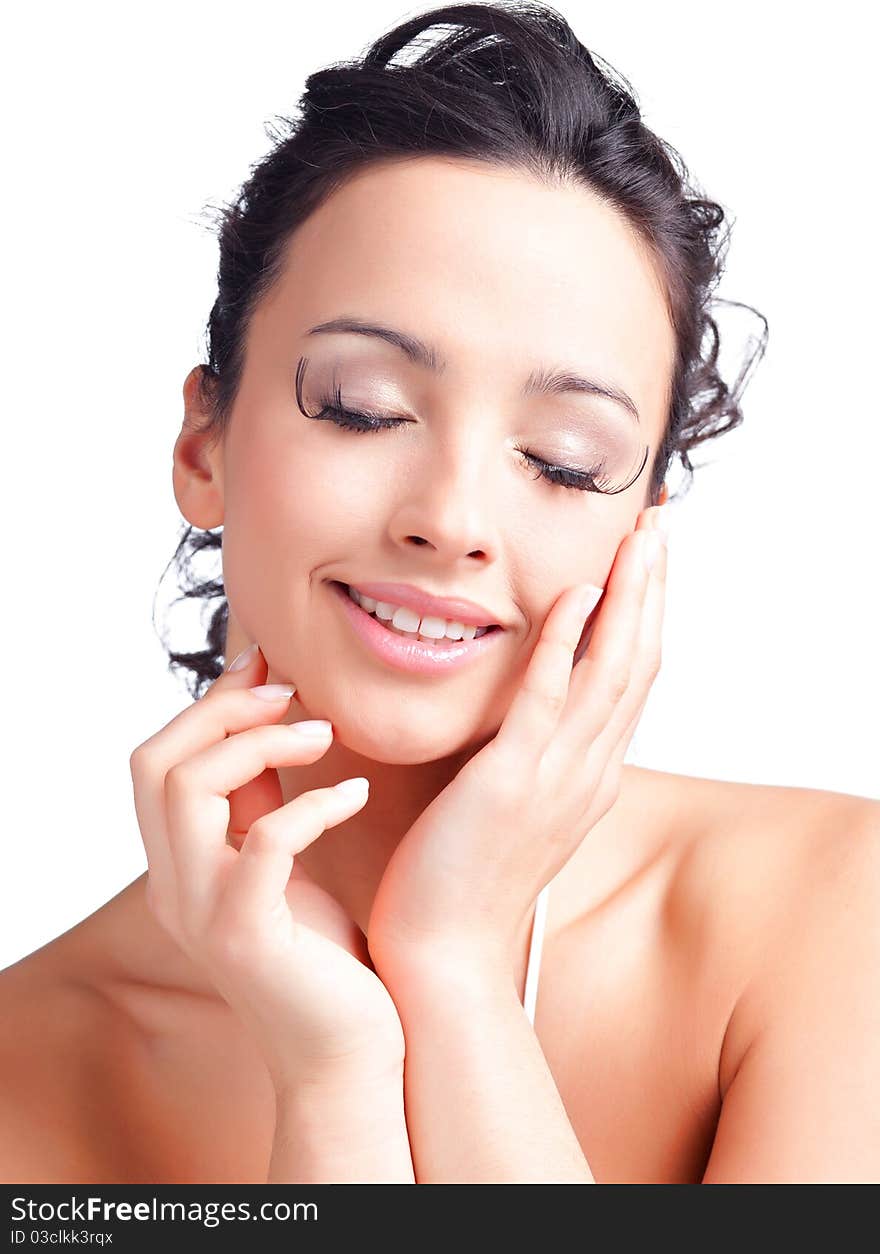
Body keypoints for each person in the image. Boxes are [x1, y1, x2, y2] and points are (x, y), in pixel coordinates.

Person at [2, 1, 878, 1185]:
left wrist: (454, 978)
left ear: (638, 530)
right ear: (202, 443)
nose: (451, 519)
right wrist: (334, 1073)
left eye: (563, 458)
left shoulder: (834, 917)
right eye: (363, 407)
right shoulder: (28, 1061)